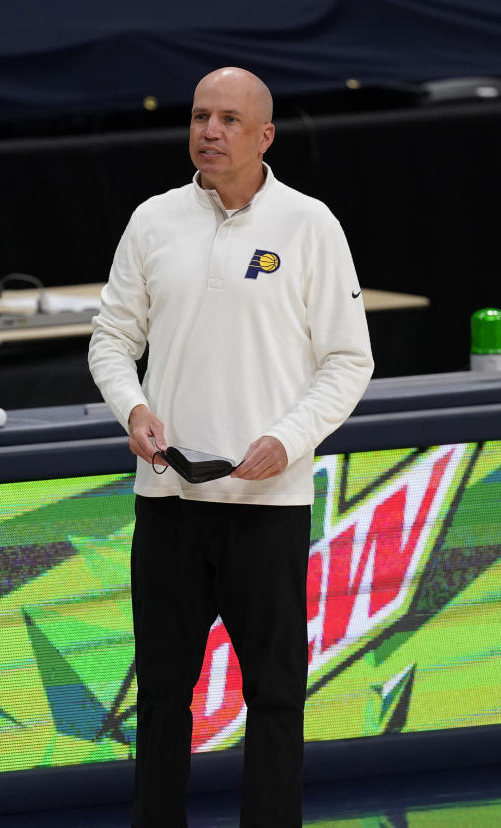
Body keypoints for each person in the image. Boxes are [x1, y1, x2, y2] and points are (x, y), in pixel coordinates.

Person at [88, 67, 374, 826]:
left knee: (276, 697)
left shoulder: (310, 225)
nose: (210, 131)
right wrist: (134, 407)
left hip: (266, 504)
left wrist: (289, 438)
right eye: (199, 117)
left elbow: (350, 360)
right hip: (169, 499)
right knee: (160, 698)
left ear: (265, 136)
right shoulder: (153, 221)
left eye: (228, 120)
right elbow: (111, 340)